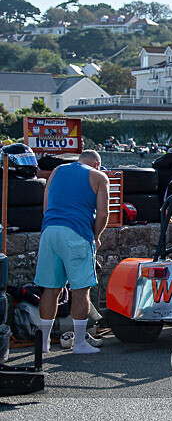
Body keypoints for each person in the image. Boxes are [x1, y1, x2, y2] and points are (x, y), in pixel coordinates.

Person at [34, 150, 109, 354]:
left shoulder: (57, 171)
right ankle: (80, 344)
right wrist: (96, 236)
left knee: (50, 288)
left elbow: (46, 207)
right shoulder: (98, 176)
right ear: (97, 163)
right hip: (77, 233)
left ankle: (43, 343)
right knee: (80, 289)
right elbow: (103, 213)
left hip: (50, 231)